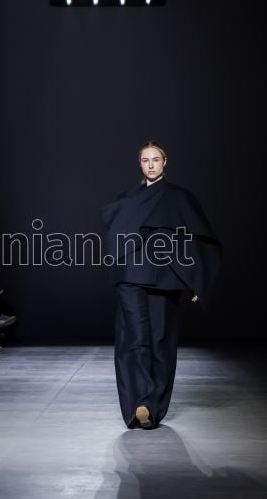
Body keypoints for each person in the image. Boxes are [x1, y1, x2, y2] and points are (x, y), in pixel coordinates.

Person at [102, 141, 222, 429]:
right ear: (140, 164)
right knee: (134, 339)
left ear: (165, 162)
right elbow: (115, 237)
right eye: (146, 160)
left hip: (165, 277)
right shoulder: (126, 199)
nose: (151, 164)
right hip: (130, 275)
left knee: (160, 341)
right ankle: (137, 405)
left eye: (156, 159)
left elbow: (196, 237)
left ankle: (151, 405)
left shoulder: (179, 198)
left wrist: (196, 280)